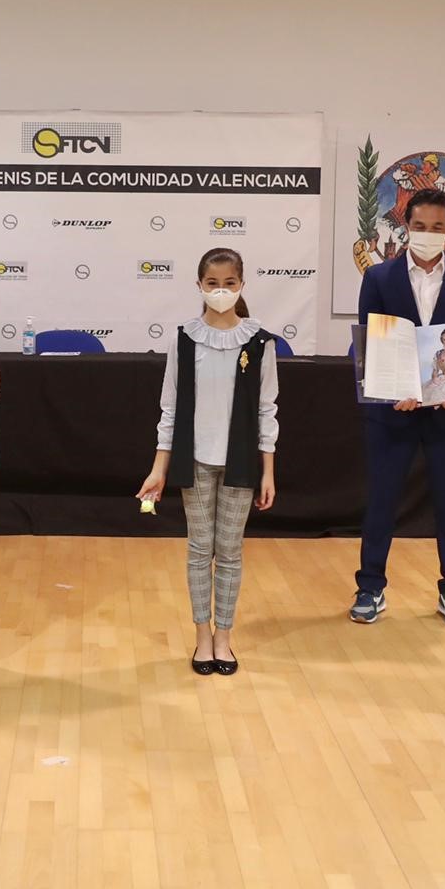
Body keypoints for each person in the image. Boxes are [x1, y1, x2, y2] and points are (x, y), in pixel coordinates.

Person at [137, 247, 278, 677]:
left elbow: (267, 410)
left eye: (229, 283)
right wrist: (159, 468)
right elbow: (169, 408)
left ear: (242, 285)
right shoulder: (183, 339)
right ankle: (202, 635)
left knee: (230, 551)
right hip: (195, 461)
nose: (221, 291)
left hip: (240, 464)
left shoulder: (259, 342)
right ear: (199, 285)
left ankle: (224, 637)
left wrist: (268, 471)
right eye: (212, 283)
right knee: (200, 550)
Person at [352, 188, 445, 628]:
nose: (427, 234)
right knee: (382, 497)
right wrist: (392, 389)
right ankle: (370, 585)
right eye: (419, 226)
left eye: (436, 227)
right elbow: (371, 343)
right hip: (393, 411)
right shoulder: (379, 278)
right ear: (406, 227)